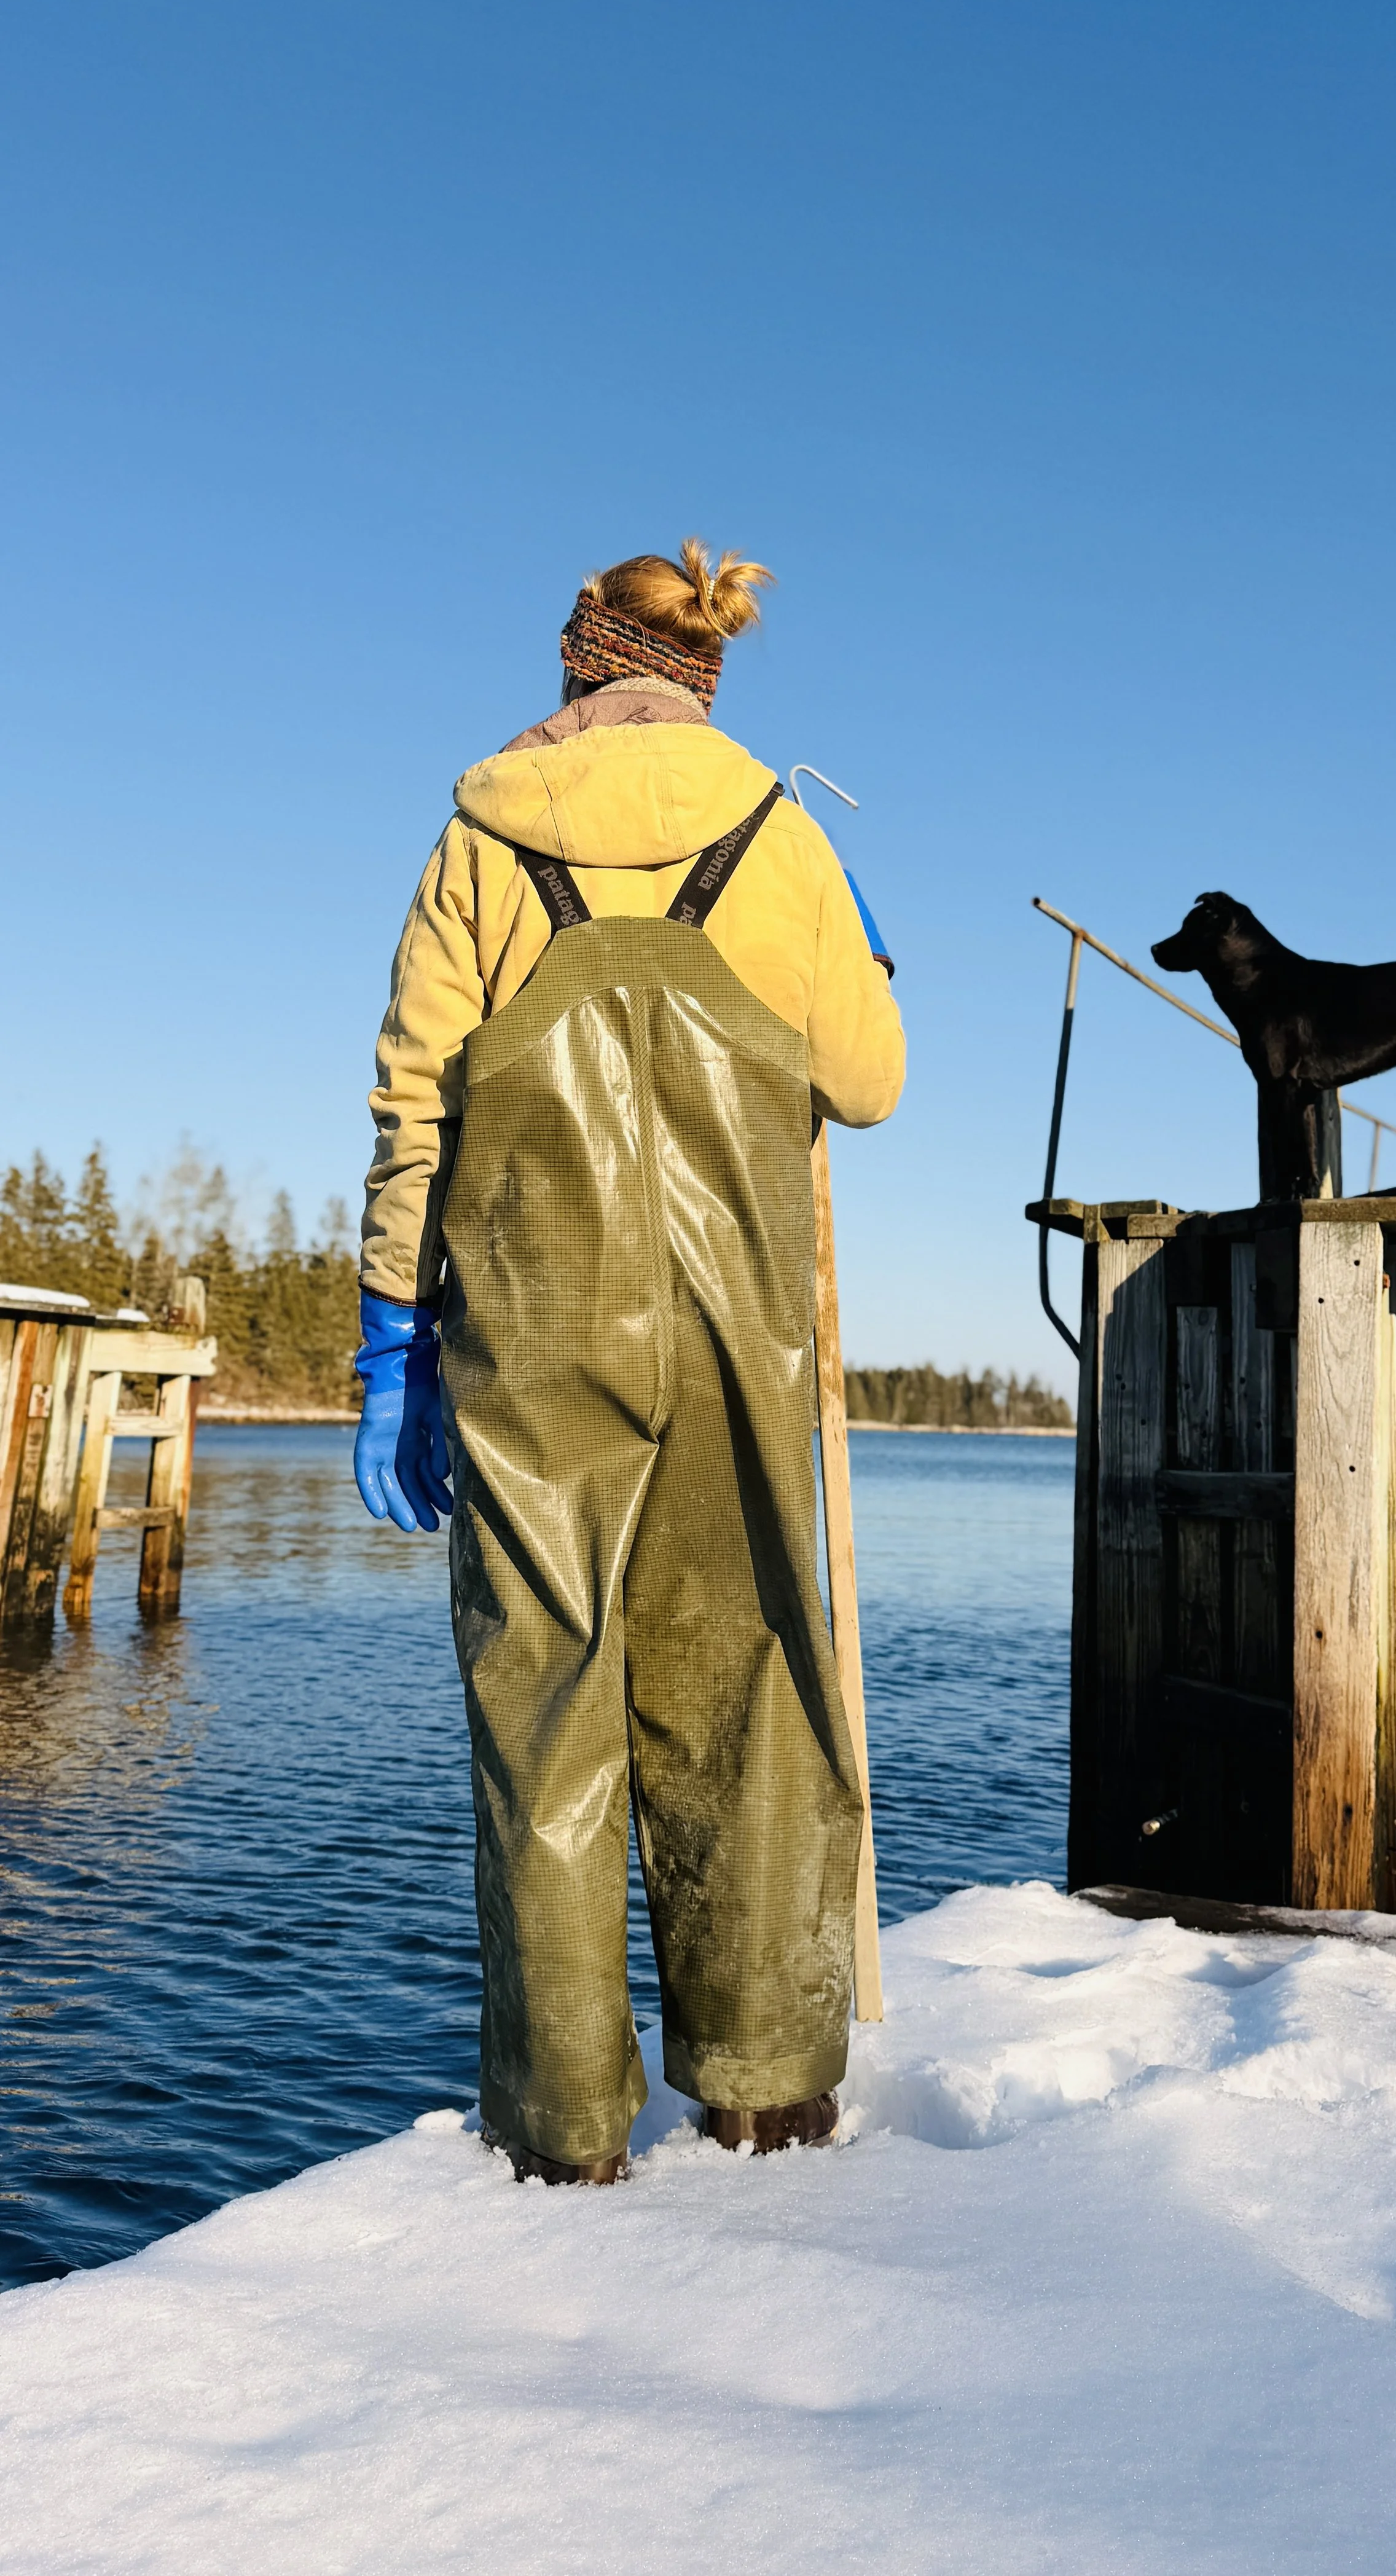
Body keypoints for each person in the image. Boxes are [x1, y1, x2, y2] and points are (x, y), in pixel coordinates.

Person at [353, 541, 905, 2183]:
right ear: (700, 678)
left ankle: (566, 2127)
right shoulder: (780, 834)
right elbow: (865, 1086)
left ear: (579, 667)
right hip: (737, 1312)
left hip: (529, 1315)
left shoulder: (475, 840)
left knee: (546, 1703)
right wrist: (850, 950)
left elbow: (415, 1105)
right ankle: (760, 2086)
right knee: (741, 1693)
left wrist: (395, 1330)